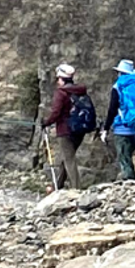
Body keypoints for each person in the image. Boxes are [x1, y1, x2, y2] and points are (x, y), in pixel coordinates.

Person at [40, 63, 91, 192]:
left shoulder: (61, 93)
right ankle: (57, 185)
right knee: (66, 157)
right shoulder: (80, 91)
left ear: (61, 79)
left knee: (69, 159)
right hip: (80, 130)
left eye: (58, 79)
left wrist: (46, 122)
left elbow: (56, 112)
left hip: (65, 130)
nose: (57, 81)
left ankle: (76, 189)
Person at [103, 59, 135, 181]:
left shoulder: (118, 87)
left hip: (123, 128)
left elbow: (112, 110)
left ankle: (130, 184)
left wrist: (105, 128)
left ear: (120, 73)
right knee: (129, 156)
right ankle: (130, 182)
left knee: (124, 158)